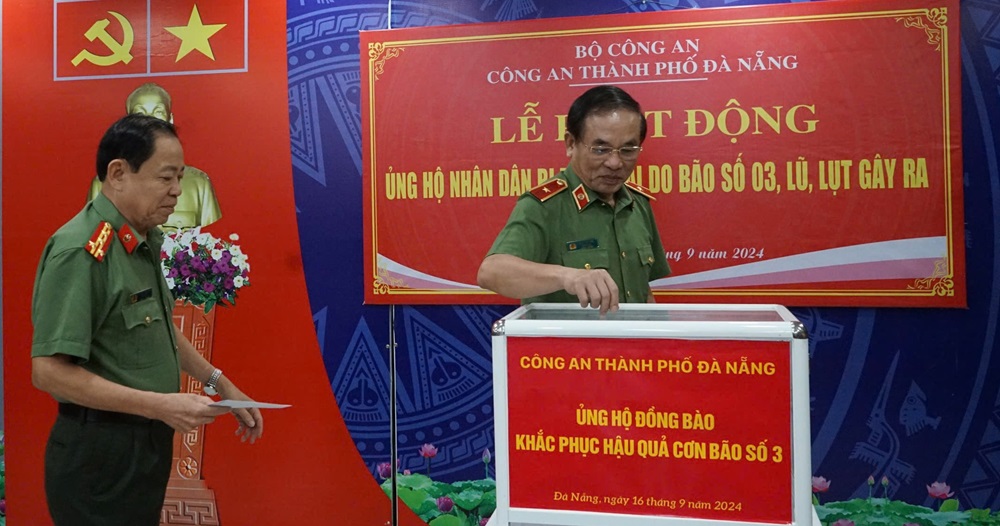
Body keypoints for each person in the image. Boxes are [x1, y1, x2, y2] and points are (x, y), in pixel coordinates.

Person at [32, 114, 263, 526]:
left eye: (180, 178)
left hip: (142, 447)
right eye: (165, 177)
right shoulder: (82, 251)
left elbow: (159, 327)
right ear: (118, 173)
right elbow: (49, 372)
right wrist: (160, 405)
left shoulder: (142, 239)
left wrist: (219, 382)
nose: (177, 191)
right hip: (101, 458)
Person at [477, 85, 671, 315]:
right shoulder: (546, 205)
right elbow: (491, 272)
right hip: (568, 340)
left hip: (633, 338)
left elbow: (644, 291)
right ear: (571, 144)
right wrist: (567, 276)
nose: (615, 163)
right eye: (600, 149)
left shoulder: (637, 204)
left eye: (628, 150)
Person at [88, 82, 222, 231]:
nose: (150, 121)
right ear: (128, 124)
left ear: (170, 120)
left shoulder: (199, 184)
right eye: (140, 113)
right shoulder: (106, 183)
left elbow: (212, 239)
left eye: (158, 112)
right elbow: (93, 238)